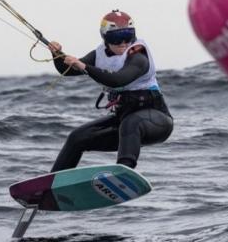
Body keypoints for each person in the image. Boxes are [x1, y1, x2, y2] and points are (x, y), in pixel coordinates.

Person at [46, 10, 173, 172]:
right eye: (116, 37)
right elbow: (68, 70)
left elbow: (118, 79)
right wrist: (56, 53)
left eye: (128, 36)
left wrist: (85, 67)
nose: (123, 43)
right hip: (124, 121)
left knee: (131, 123)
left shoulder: (138, 54)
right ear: (105, 38)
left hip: (157, 121)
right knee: (77, 137)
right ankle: (54, 182)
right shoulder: (99, 54)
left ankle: (123, 172)